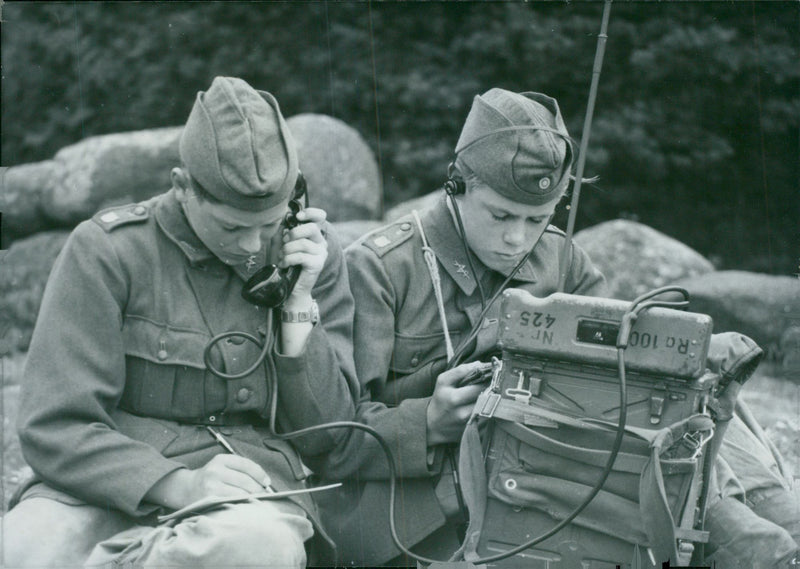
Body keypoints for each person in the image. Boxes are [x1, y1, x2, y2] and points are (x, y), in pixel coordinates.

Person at [315, 88, 800, 568]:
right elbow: (328, 439)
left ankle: (778, 533)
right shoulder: (378, 269)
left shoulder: (564, 261)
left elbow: (626, 382)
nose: (517, 238)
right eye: (501, 215)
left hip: (563, 473)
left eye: (538, 218)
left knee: (684, 408)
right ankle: (764, 550)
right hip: (438, 503)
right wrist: (426, 421)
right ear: (455, 185)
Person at [2, 76, 358, 568]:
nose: (254, 246)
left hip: (245, 492)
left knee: (258, 550)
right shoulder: (109, 251)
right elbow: (54, 424)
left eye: (270, 223)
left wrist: (298, 306)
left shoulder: (311, 255)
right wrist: (180, 483)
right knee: (17, 551)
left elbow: (329, 438)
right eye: (233, 226)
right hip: (106, 481)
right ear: (182, 187)